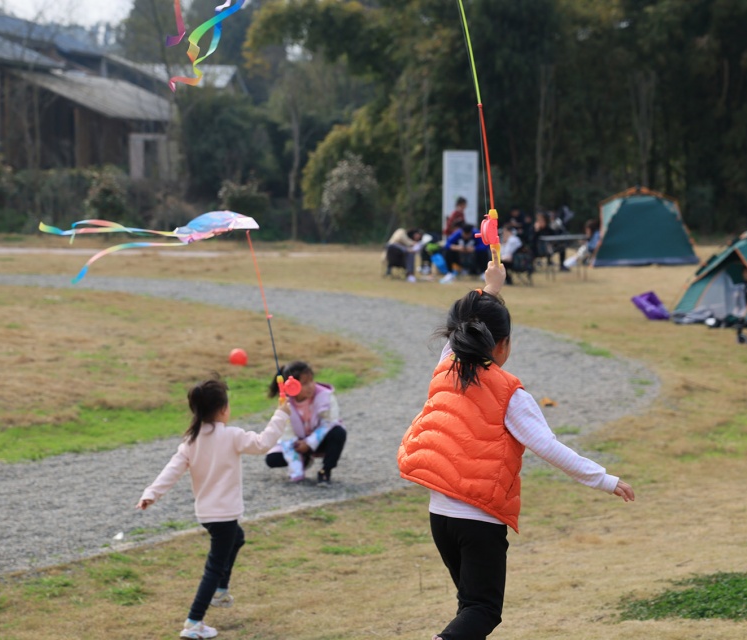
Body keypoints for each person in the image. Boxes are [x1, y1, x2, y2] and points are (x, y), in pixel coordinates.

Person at [397, 262, 635, 640]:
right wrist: (604, 479)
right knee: (482, 610)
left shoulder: (445, 366)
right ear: (502, 345)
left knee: (469, 606)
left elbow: (465, 320)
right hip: (479, 520)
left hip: (439, 516)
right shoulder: (510, 393)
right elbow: (549, 447)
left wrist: (491, 288)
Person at [137, 378, 291, 639]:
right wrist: (282, 412)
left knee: (237, 539)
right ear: (222, 410)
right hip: (224, 514)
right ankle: (194, 622)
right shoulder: (232, 436)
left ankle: (220, 591)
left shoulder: (191, 441)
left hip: (208, 514)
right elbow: (264, 443)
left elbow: (171, 470)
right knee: (214, 565)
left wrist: (151, 493)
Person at [265, 361, 347, 486]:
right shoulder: (285, 403)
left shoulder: (325, 396)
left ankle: (325, 470)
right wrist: (296, 470)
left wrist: (309, 443)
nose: (310, 386)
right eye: (304, 384)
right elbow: (287, 435)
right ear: (292, 387)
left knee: (338, 432)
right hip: (298, 444)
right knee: (272, 459)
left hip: (320, 440)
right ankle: (304, 459)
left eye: (311, 381)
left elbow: (329, 423)